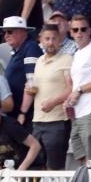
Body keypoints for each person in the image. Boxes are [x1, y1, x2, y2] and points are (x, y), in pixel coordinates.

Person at [24, 24, 72, 170]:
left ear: (60, 40)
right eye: (47, 39)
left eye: (54, 39)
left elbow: (71, 88)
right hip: (37, 121)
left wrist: (54, 102)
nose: (50, 42)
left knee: (55, 168)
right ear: (41, 40)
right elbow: (36, 88)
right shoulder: (39, 61)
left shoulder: (67, 59)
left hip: (57, 122)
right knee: (36, 167)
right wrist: (29, 90)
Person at [65, 14, 91, 166]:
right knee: (81, 157)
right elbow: (77, 84)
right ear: (71, 32)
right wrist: (69, 100)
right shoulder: (77, 53)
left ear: (90, 31)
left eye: (83, 29)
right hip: (77, 111)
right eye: (75, 29)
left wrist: (79, 90)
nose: (79, 33)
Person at [0, 94, 42, 170]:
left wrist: (21, 170)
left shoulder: (11, 125)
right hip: (4, 170)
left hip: (27, 168)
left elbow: (35, 145)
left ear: (0, 110)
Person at [0, 16, 42, 124]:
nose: (6, 35)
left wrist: (23, 112)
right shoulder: (19, 50)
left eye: (9, 31)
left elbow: (31, 82)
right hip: (16, 113)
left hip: (26, 115)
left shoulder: (31, 48)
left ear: (22, 32)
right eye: (5, 32)